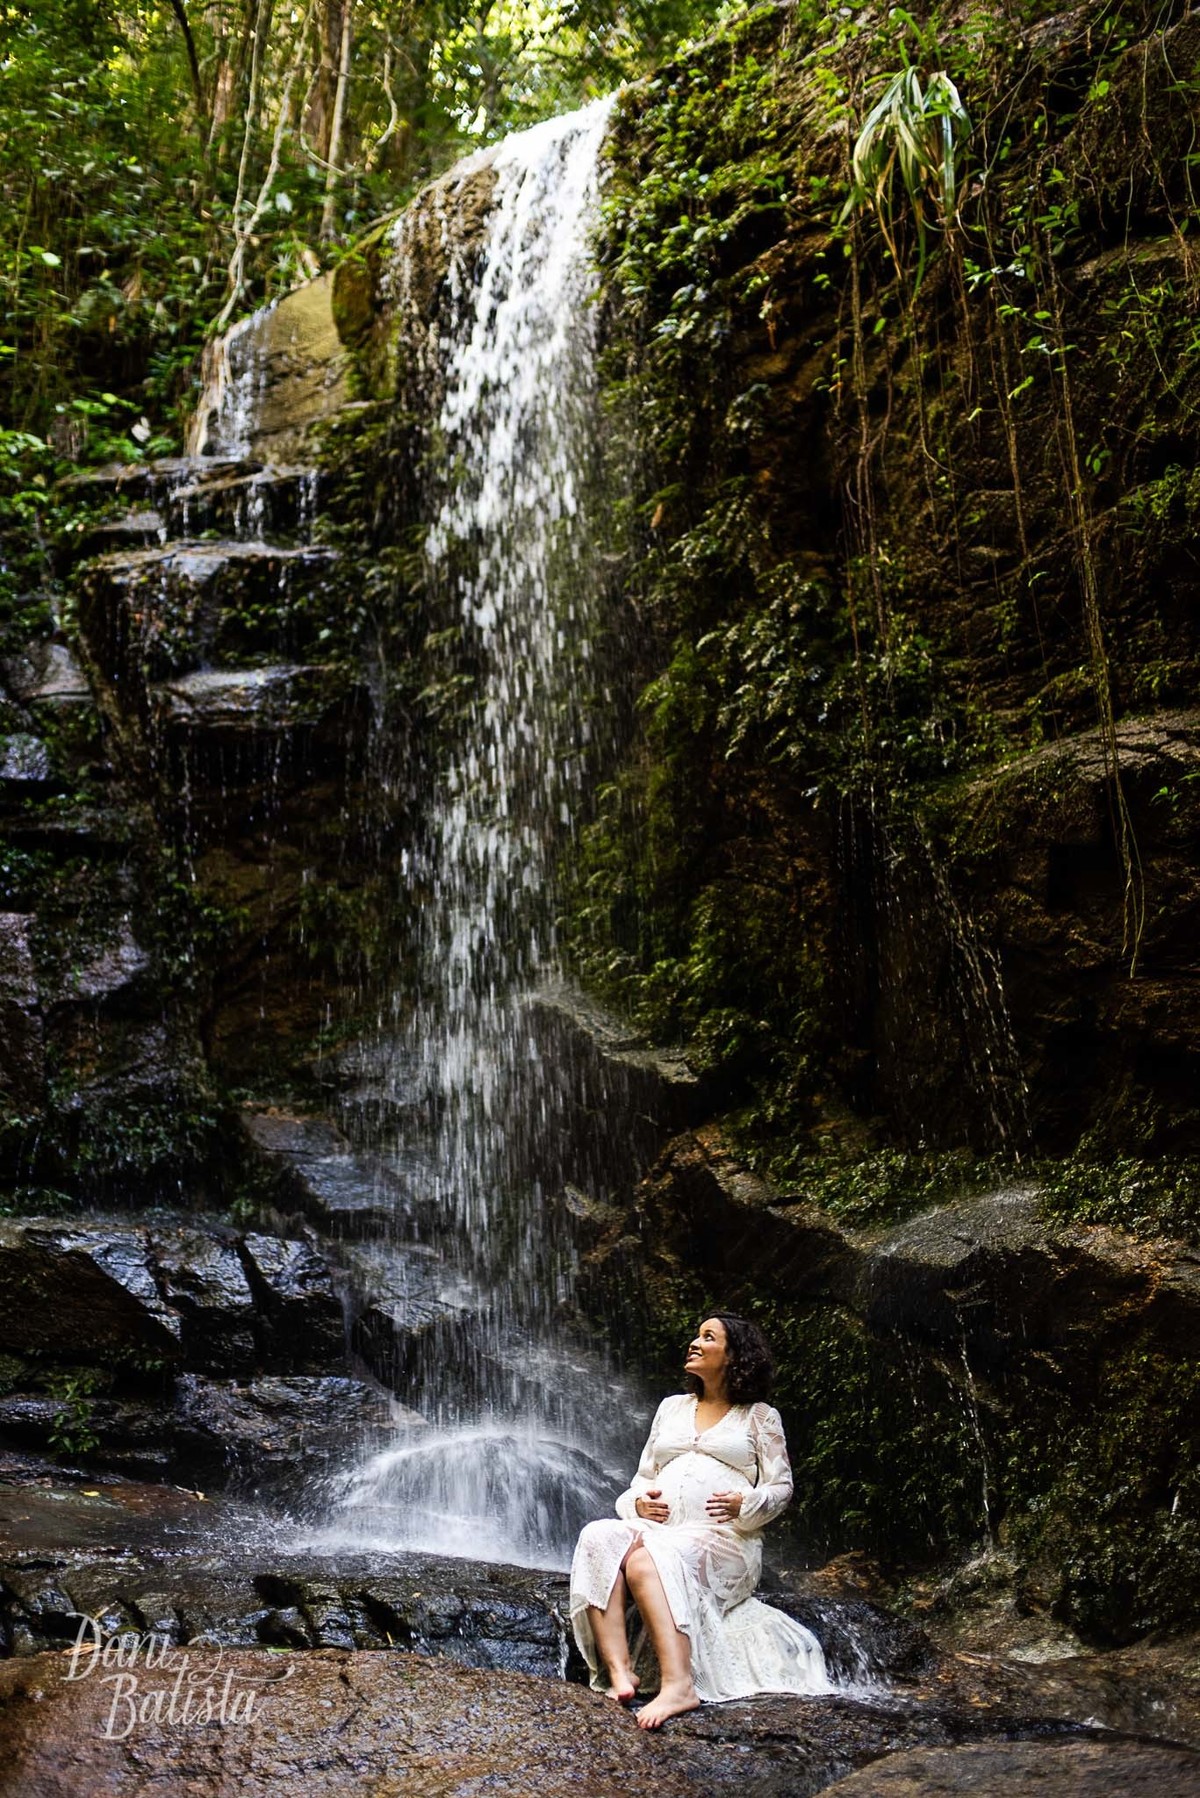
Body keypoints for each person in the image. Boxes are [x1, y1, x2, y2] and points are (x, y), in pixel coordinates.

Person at [569, 1312, 831, 1729]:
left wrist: (745, 1503)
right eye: (696, 1335)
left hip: (724, 1540)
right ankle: (619, 1673)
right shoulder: (671, 1408)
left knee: (642, 1560)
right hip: (661, 1530)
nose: (694, 1342)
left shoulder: (759, 1417)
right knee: (597, 1536)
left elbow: (781, 1489)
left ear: (734, 1356)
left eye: (708, 1337)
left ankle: (679, 1686)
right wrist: (637, 1504)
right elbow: (642, 1479)